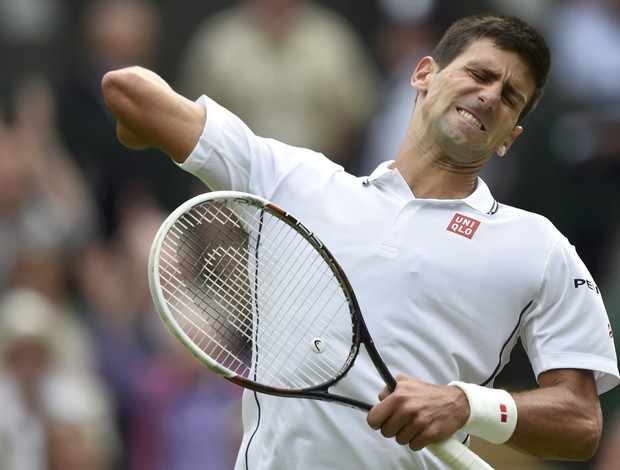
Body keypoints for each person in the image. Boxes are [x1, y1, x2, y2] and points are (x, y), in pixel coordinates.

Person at [101, 13, 620, 469]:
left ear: (510, 137)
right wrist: (142, 123)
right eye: (480, 74)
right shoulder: (293, 179)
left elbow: (580, 422)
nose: (489, 96)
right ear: (423, 74)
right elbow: (127, 90)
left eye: (510, 98)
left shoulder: (539, 245)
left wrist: (465, 406)